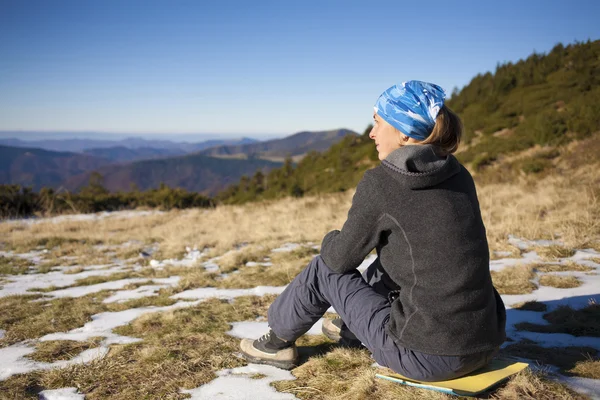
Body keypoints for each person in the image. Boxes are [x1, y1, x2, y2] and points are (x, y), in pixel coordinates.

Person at [239, 80, 506, 382]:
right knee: (392, 259)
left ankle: (275, 343)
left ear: (404, 133)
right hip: (486, 342)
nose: (371, 133)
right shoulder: (458, 174)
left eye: (378, 122)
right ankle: (353, 328)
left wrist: (329, 238)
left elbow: (338, 261)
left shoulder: (383, 183)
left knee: (323, 270)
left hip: (426, 356)